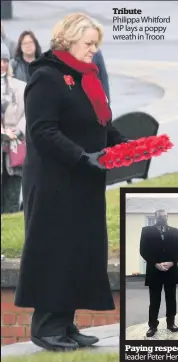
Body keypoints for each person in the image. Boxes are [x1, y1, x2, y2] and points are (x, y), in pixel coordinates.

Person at [14, 13, 128, 352]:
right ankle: (46, 326)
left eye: (96, 44)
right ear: (68, 41)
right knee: (55, 251)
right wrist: (81, 157)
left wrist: (125, 145)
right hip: (55, 183)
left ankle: (65, 323)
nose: (94, 49)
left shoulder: (86, 77)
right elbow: (42, 131)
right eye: (89, 43)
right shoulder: (46, 77)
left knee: (78, 252)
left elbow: (102, 124)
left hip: (84, 182)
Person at [140, 209, 178, 338]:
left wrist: (172, 262)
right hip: (154, 271)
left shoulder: (175, 231)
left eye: (165, 215)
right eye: (160, 216)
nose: (163, 217)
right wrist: (155, 263)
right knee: (154, 300)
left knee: (171, 298)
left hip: (171, 271)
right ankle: (152, 326)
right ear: (155, 216)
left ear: (168, 217)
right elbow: (143, 250)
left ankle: (171, 323)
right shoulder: (146, 231)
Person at [1, 42, 26, 214]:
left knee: (12, 201)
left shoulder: (20, 87)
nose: (1, 64)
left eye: (4, 60)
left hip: (14, 152)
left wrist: (18, 131)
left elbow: (29, 114)